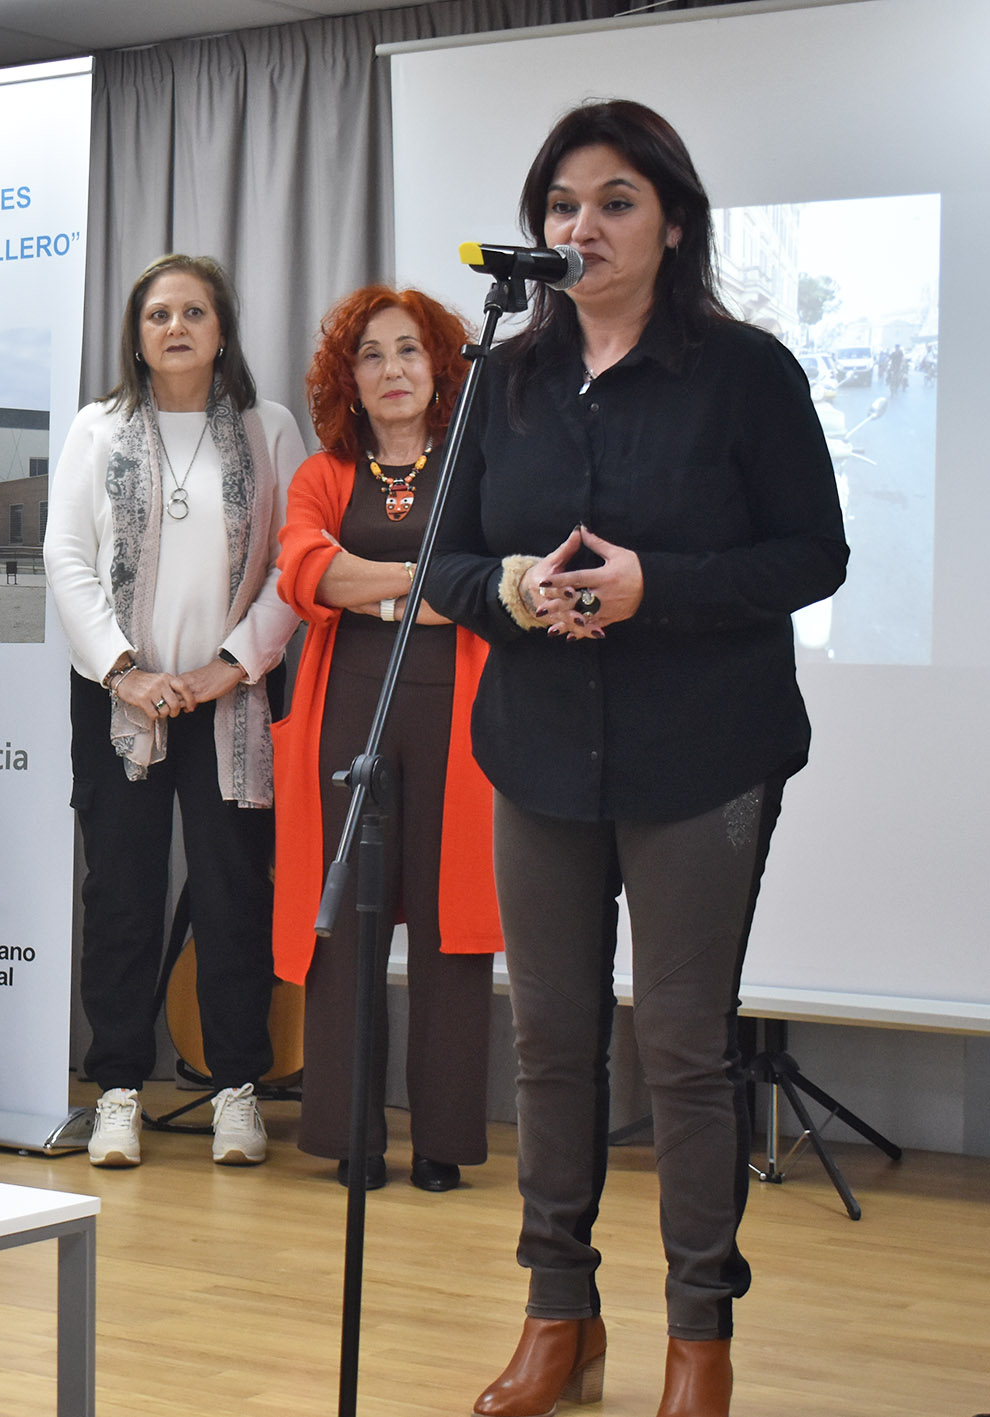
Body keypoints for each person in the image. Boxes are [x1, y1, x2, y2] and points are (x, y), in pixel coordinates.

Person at [422, 102, 847, 1417]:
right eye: (561, 204)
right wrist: (510, 591)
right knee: (549, 1042)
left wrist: (656, 585)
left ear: (671, 223)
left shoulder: (745, 372)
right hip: (538, 755)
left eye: (614, 201)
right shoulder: (502, 378)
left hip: (703, 757)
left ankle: (697, 1339)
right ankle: (559, 1316)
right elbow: (443, 561)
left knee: (678, 1047)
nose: (582, 226)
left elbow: (812, 556)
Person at [41, 254, 305, 1169]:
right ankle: (117, 1089)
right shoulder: (98, 427)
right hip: (121, 699)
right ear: (137, 335)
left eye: (194, 312)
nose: (176, 327)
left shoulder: (271, 429)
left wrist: (229, 668)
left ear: (222, 330)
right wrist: (125, 671)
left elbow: (294, 564)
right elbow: (66, 556)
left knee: (235, 894)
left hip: (233, 700)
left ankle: (237, 1089)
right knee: (120, 894)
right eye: (158, 314)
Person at [273, 286, 501, 1193]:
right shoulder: (323, 475)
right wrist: (419, 583)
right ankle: (349, 1134)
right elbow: (306, 572)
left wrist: (370, 583)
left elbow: (487, 585)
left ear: (439, 367)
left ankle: (443, 1139)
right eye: (371, 354)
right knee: (347, 924)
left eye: (408, 350)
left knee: (453, 929)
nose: (392, 369)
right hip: (346, 713)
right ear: (349, 379)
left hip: (460, 720)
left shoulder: (476, 466)